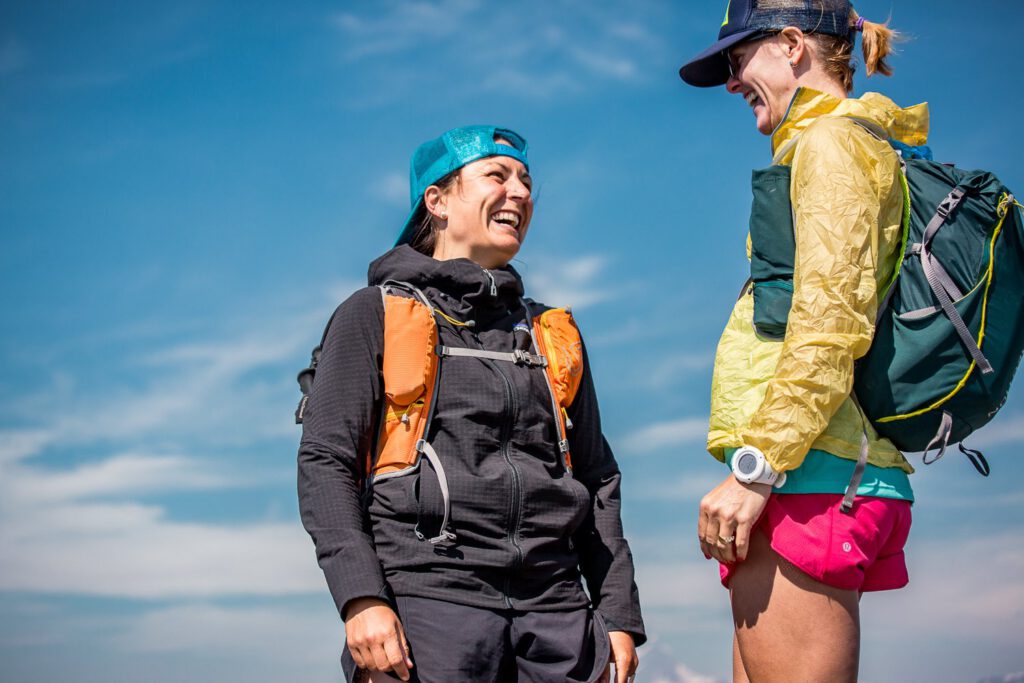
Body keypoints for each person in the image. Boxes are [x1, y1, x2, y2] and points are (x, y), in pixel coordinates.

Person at [297, 125, 645, 683]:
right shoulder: (374, 314)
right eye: (497, 176)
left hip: (558, 616)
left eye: (526, 181)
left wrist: (618, 614)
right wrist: (361, 597)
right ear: (436, 200)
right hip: (427, 606)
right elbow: (325, 461)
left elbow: (598, 478)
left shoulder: (551, 333)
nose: (521, 193)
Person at [679, 2, 922, 681]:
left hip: (811, 475)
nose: (733, 81)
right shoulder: (844, 142)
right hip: (813, 467)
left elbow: (829, 322)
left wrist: (757, 468)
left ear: (791, 45)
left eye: (738, 59)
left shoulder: (831, 144)